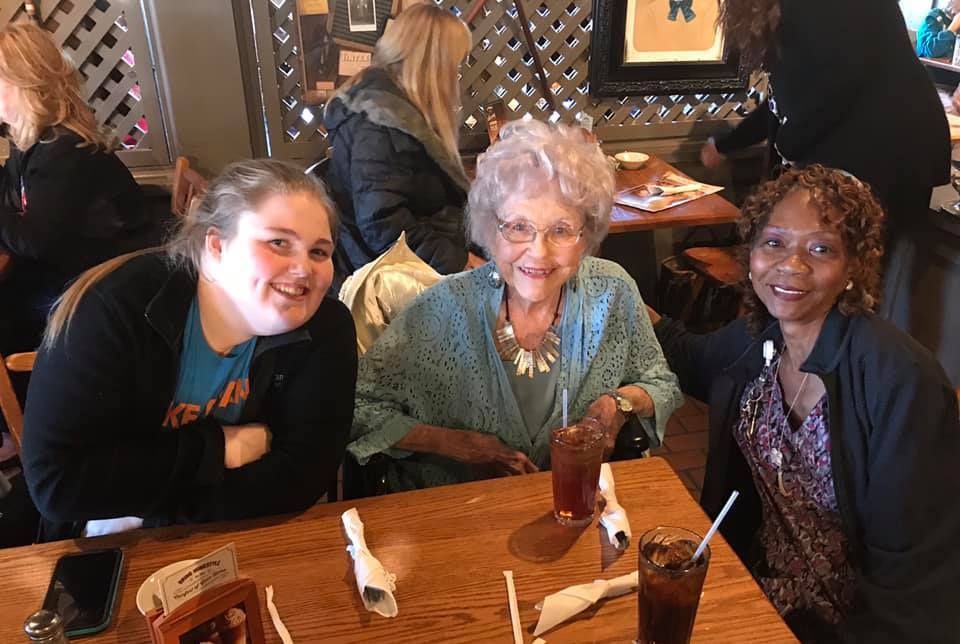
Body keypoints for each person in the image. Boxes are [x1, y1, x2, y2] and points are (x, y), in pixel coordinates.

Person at [650, 165, 960, 642]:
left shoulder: (899, 382)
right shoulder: (760, 339)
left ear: (854, 266)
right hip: (753, 588)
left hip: (847, 627)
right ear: (750, 254)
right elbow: (690, 357)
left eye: (820, 249)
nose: (791, 265)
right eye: (773, 242)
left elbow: (916, 588)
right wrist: (616, 296)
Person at [21, 159, 358, 540]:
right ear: (215, 246)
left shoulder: (327, 329)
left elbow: (301, 478)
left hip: (217, 532)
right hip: (102, 546)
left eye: (319, 252)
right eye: (278, 242)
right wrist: (219, 450)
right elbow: (60, 485)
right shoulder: (114, 309)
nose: (303, 269)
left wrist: (149, 513)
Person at [348, 120, 683, 492]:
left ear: (586, 234)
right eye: (519, 227)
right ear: (491, 230)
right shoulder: (442, 309)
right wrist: (455, 444)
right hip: (461, 512)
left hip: (577, 507)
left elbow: (660, 383)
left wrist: (619, 404)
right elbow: (356, 407)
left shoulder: (612, 291)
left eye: (560, 230)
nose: (538, 252)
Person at [700, 0, 950, 329]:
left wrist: (789, 152)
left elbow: (829, 91)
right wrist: (728, 143)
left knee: (850, 285)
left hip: (885, 149)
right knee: (847, 280)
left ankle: (833, 372)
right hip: (890, 144)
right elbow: (786, 102)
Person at [0, 22, 162, 355]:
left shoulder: (62, 150)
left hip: (108, 289)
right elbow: (12, 196)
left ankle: (25, 397)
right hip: (86, 271)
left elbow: (34, 242)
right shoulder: (33, 139)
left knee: (7, 308)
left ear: (23, 83)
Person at [321, 3, 473, 288]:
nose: (457, 75)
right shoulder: (381, 126)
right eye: (456, 64)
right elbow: (383, 226)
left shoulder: (390, 112)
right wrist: (459, 262)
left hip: (408, 263)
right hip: (389, 281)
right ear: (434, 64)